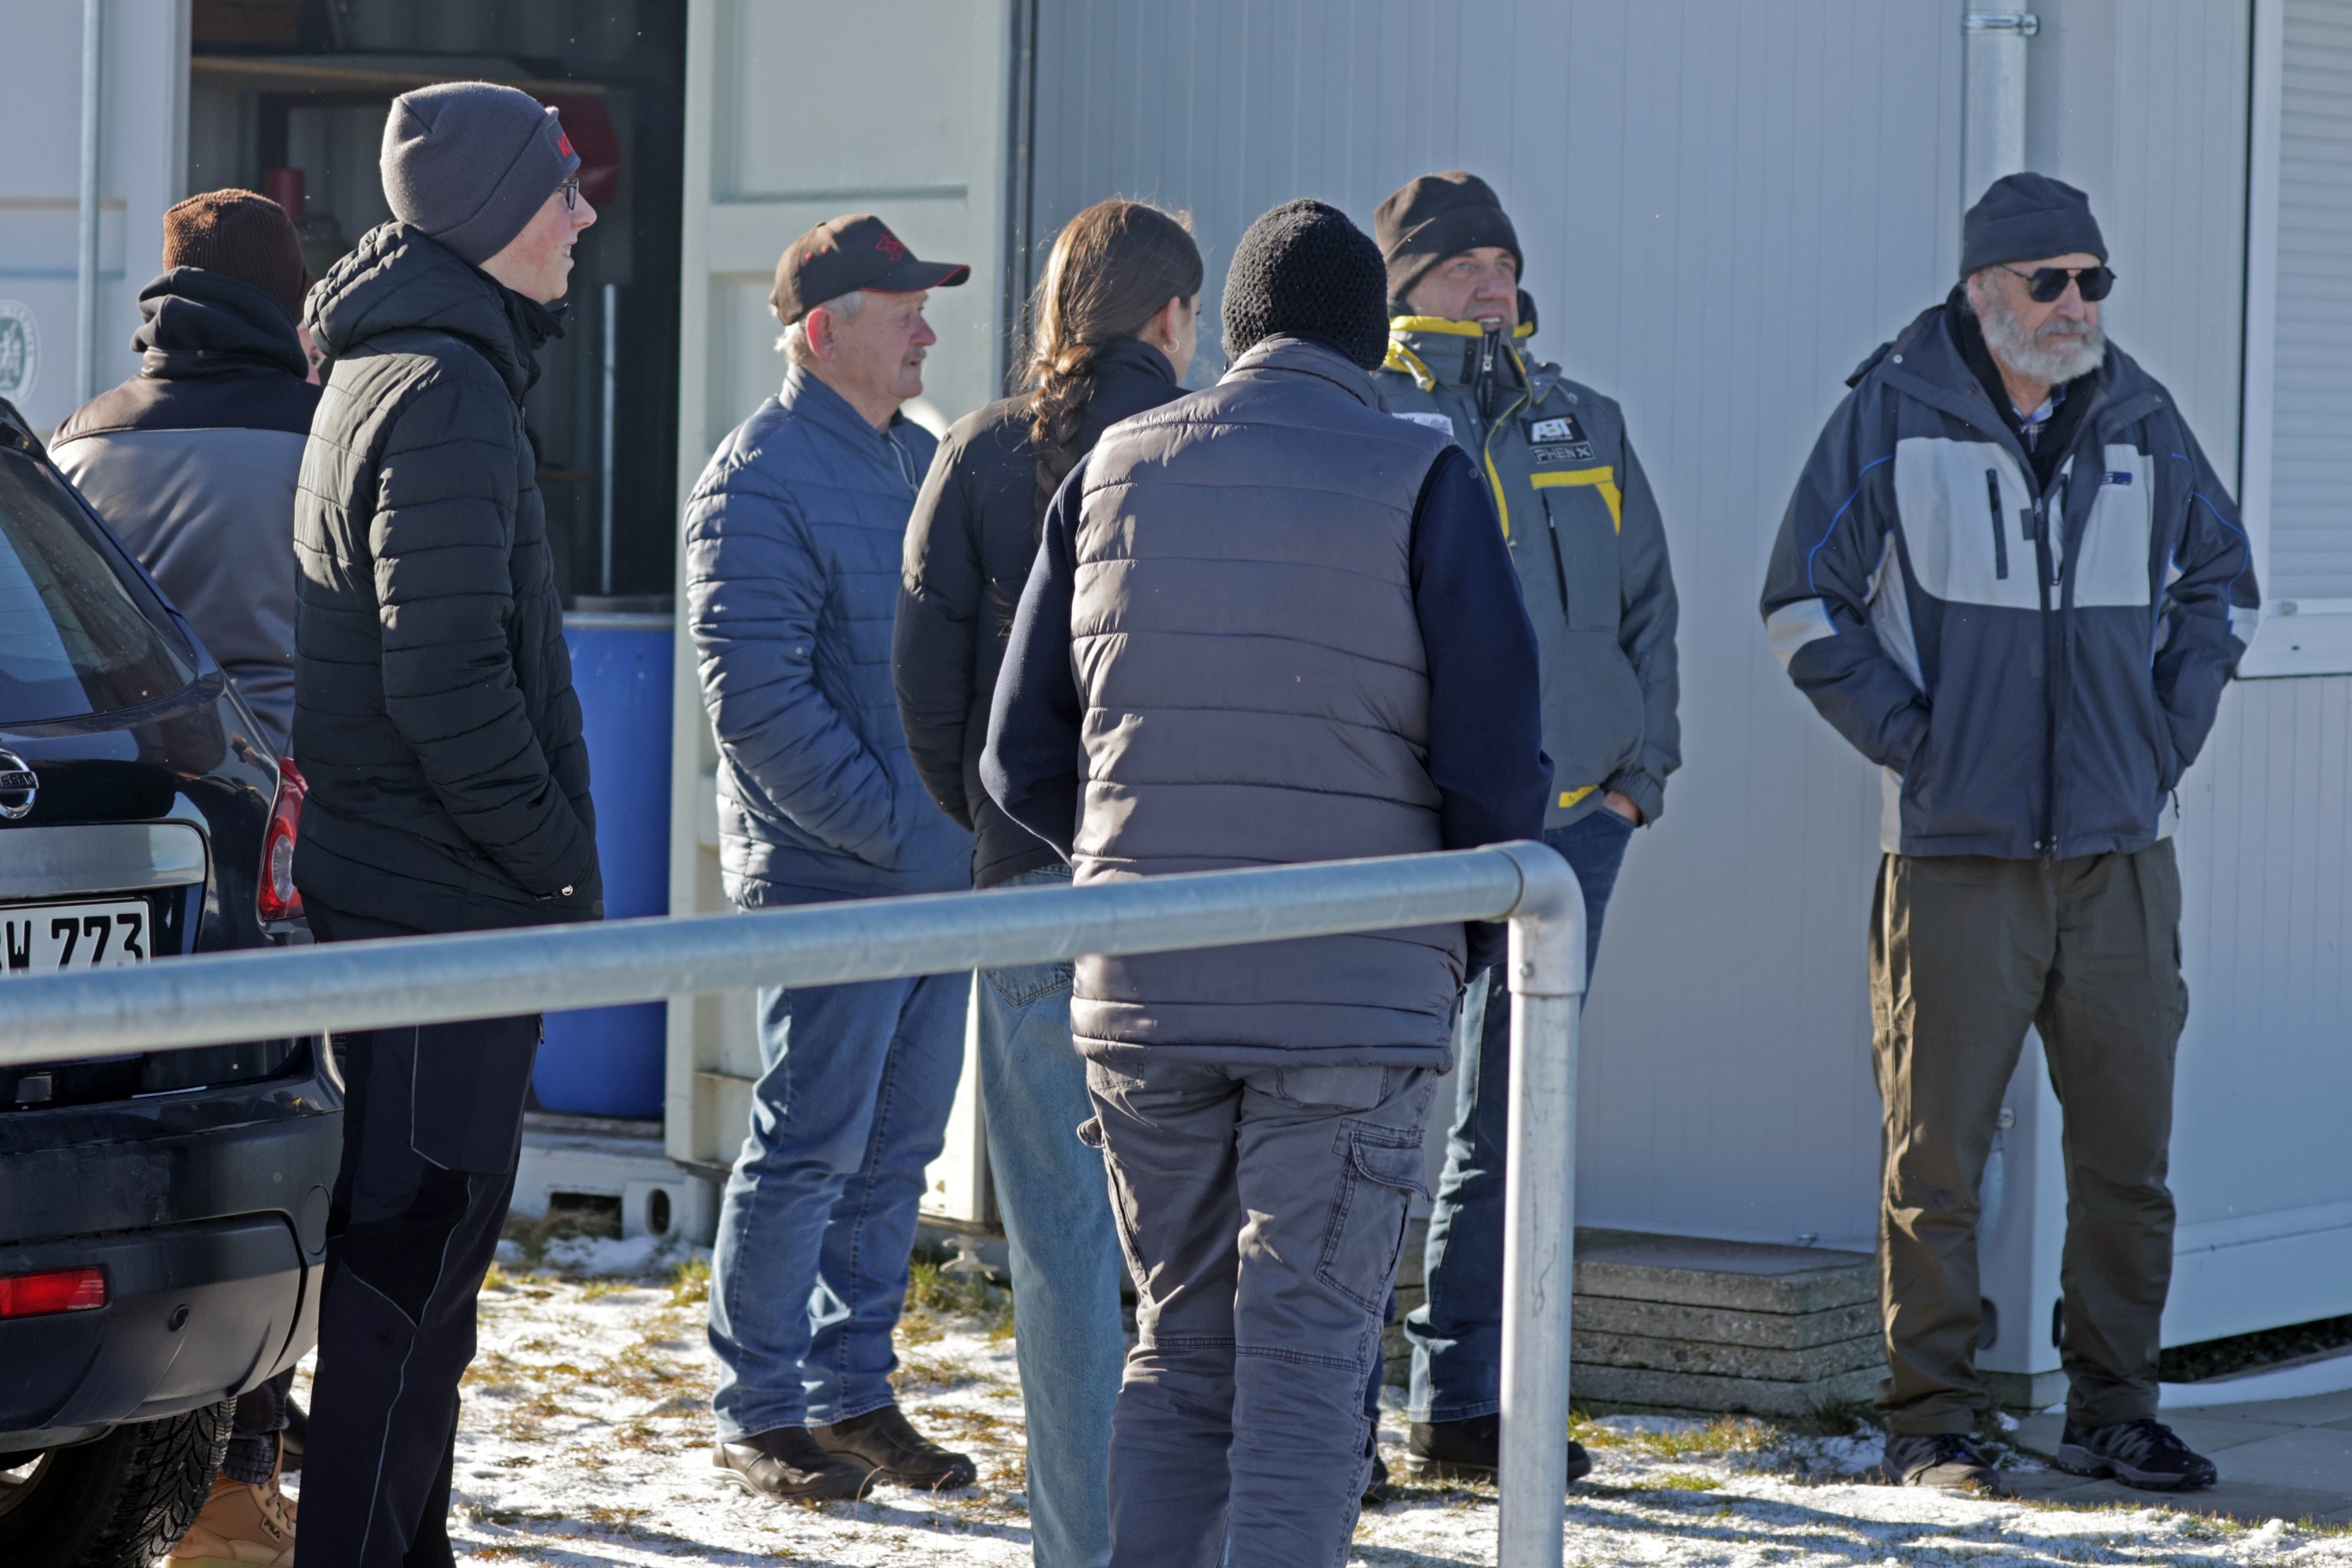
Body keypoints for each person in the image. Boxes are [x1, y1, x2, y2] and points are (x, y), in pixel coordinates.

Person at [984, 198, 1548, 1568]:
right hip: (1354, 995)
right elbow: (1496, 766)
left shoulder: (1113, 468)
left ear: (1232, 329)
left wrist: (1138, 868)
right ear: (1370, 340)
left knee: (1180, 1347)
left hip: (1145, 994)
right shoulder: (1422, 475)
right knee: (1307, 1364)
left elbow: (1015, 758)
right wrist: (1449, 936)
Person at [1760, 173, 2256, 1496]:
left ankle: (2113, 1412)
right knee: (1936, 1163)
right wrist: (1921, 746)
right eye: (2051, 281)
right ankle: (1931, 1422)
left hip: (2120, 857)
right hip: (1953, 859)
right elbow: (1801, 604)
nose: (2078, 304)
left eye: (2095, 280)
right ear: (1984, 291)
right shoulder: (1891, 413)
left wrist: (2164, 738)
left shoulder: (2142, 418)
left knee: (2127, 1161)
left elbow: (2225, 585)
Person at [290, 82, 603, 1567]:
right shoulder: (443, 389)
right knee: (406, 1283)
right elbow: (447, 680)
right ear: (488, 217)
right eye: (562, 191)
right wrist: (551, 854)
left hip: (423, 896)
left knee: (421, 1287)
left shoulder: (412, 365)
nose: (584, 217)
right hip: (442, 906)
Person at [892, 198, 1202, 1567]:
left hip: (1027, 890)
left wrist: (999, 832)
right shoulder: (1205, 449)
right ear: (1173, 317)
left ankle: (1081, 1549)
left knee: (1062, 1257)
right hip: (1192, 900)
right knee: (1199, 1248)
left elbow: (927, 695)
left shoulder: (975, 453)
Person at [1372, 168, 1680, 1487]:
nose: (1493, 284)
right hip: (1417, 833)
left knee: (1513, 1124)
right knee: (1373, 1119)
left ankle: (1465, 1407)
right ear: (1407, 289)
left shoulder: (1581, 420)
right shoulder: (1372, 416)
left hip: (1572, 829)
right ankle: (1334, 1409)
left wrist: (1639, 775)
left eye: (1502, 262)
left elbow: (1649, 605)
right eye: (1463, 266)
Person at [685, 213, 978, 1504]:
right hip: (835, 879)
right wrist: (905, 830)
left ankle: (852, 1391)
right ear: (823, 330)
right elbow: (757, 708)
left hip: (936, 880)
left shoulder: (919, 459)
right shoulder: (754, 480)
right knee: (808, 1144)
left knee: (898, 1147)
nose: (927, 332)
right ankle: (760, 1409)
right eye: (904, 311)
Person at [52, 189, 320, 756]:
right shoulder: (328, 435)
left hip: (131, 771)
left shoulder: (77, 443)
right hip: (295, 778)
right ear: (288, 300)